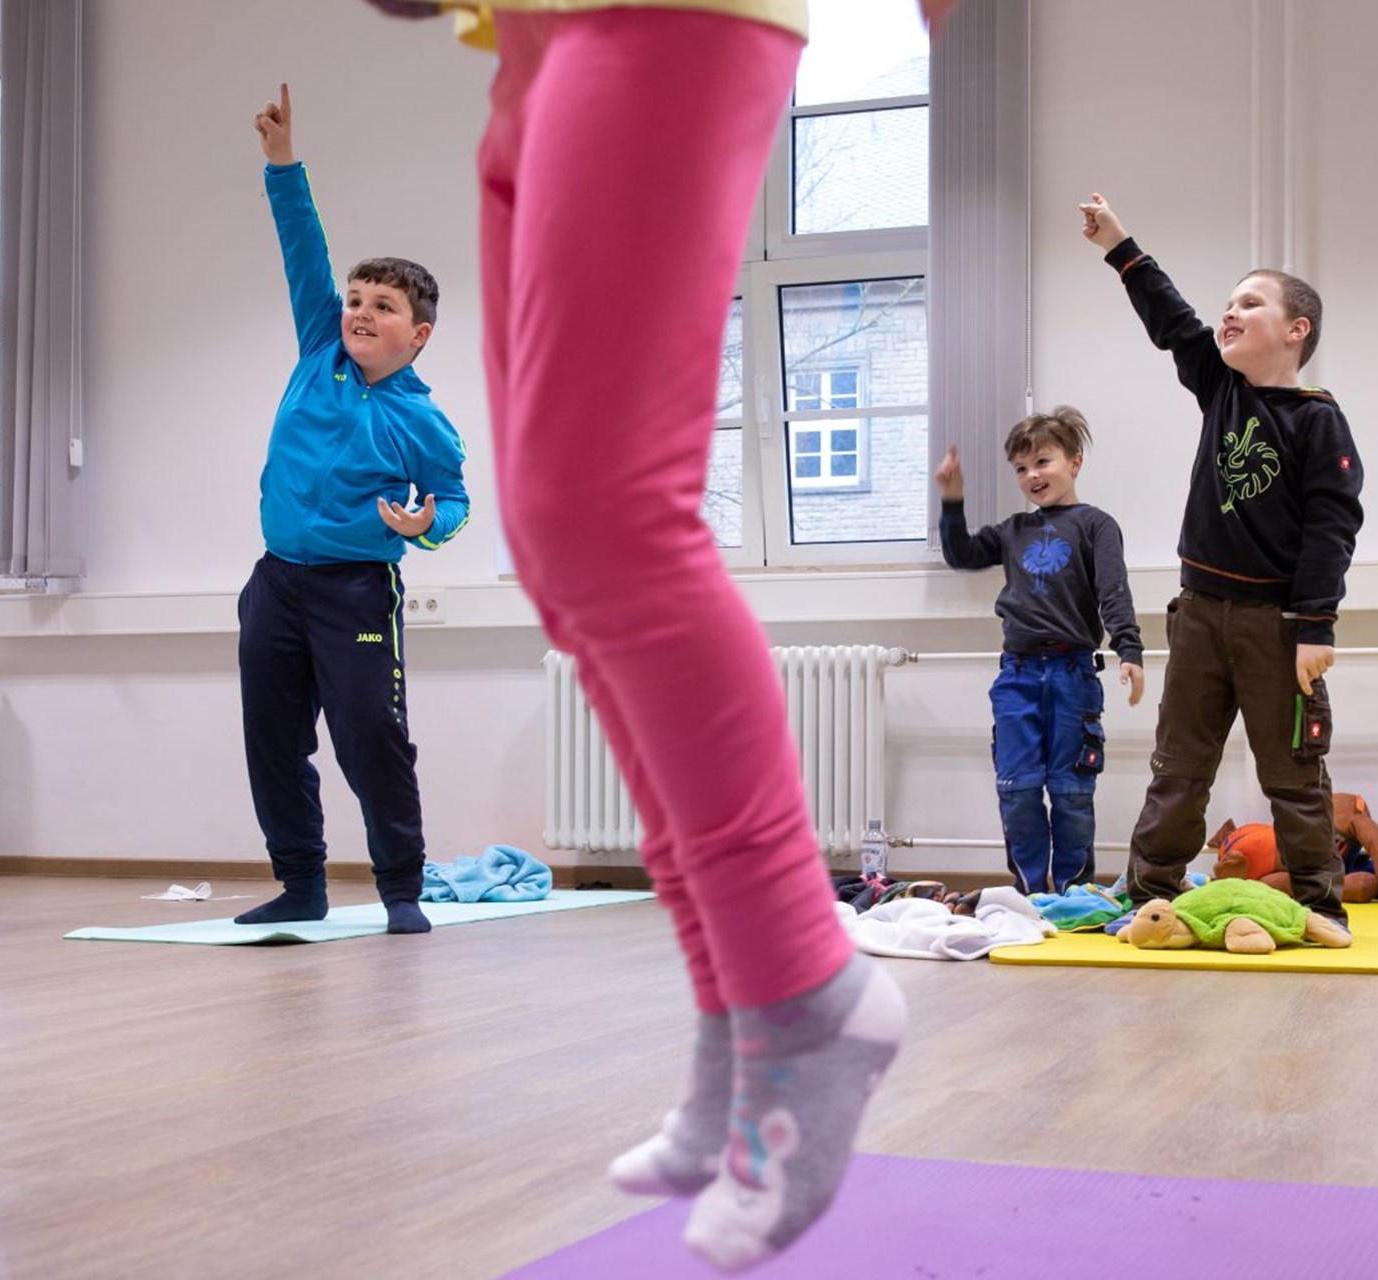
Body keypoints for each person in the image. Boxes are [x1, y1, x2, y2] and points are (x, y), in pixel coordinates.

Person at [360, 1, 958, 1270]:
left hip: (672, 13)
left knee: (614, 515)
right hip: (526, 32)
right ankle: (734, 1011)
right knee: (560, 548)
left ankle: (806, 990)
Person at [1079, 191, 1362, 935]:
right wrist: (1119, 244)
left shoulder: (1318, 419)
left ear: (1296, 330)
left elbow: (1332, 529)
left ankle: (1318, 900)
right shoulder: (1221, 388)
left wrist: (1316, 626)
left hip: (1278, 626)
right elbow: (1172, 320)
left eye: (1250, 303)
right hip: (1201, 615)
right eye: (1227, 303)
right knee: (1180, 767)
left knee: (1293, 773)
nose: (1229, 313)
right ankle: (1148, 889)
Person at [237, 85, 470, 936]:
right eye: (357, 300)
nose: (361, 313)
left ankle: (400, 890)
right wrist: (282, 163)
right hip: (275, 584)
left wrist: (427, 528)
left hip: (356, 592)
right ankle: (300, 885)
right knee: (273, 738)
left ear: (418, 334)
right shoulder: (316, 352)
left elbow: (455, 502)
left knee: (371, 739)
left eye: (383, 307)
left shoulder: (422, 420)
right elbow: (303, 245)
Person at [935, 408, 1145, 896]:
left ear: (1075, 462)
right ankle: (1032, 892)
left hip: (1074, 676)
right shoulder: (1012, 531)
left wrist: (1129, 650)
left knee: (1072, 791)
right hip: (1018, 676)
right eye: (1021, 469)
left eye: (1043, 462)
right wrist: (951, 500)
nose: (1032, 476)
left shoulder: (1096, 525)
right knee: (1018, 787)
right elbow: (961, 554)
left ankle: (1073, 892)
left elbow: (1113, 591)